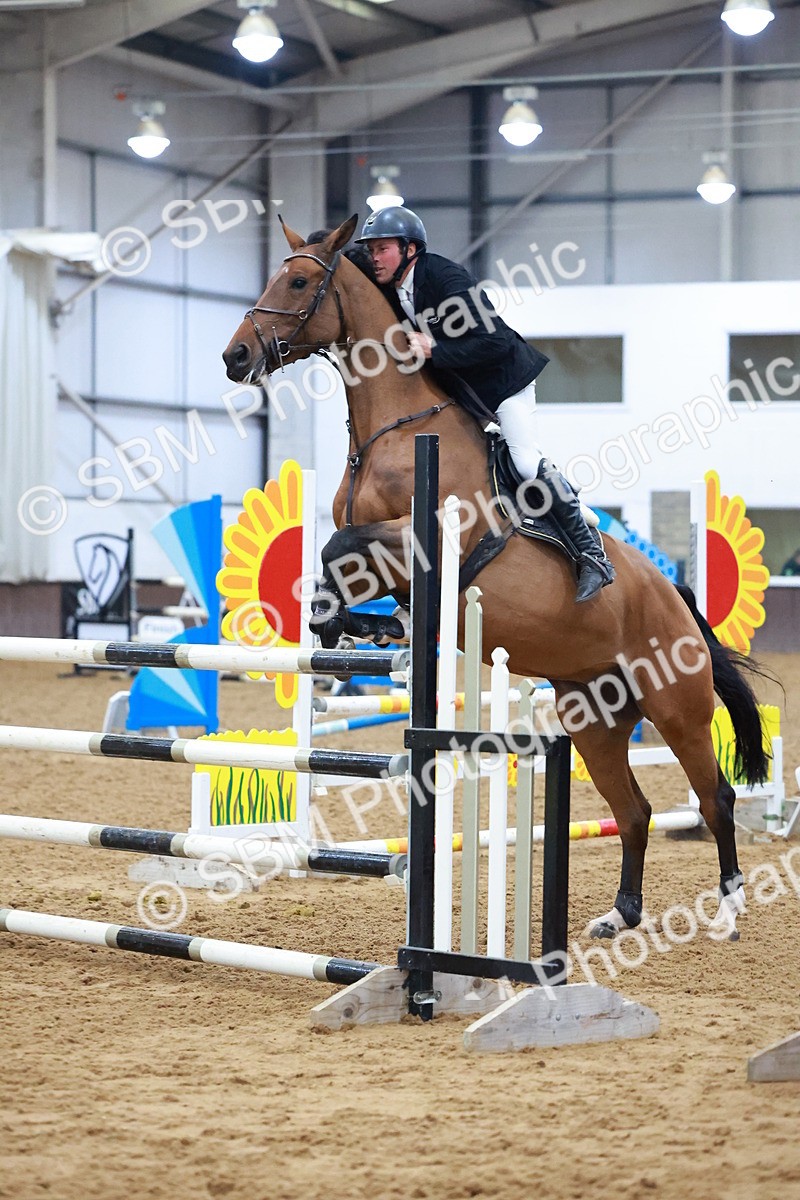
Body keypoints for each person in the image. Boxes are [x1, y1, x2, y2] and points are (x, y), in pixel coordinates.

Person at [355, 205, 615, 603]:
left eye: (382, 248)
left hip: (503, 384)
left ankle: (593, 555)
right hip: (463, 394)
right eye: (370, 249)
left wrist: (434, 348)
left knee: (526, 462)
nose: (374, 257)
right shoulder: (390, 280)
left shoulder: (445, 279)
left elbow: (493, 340)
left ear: (410, 249)